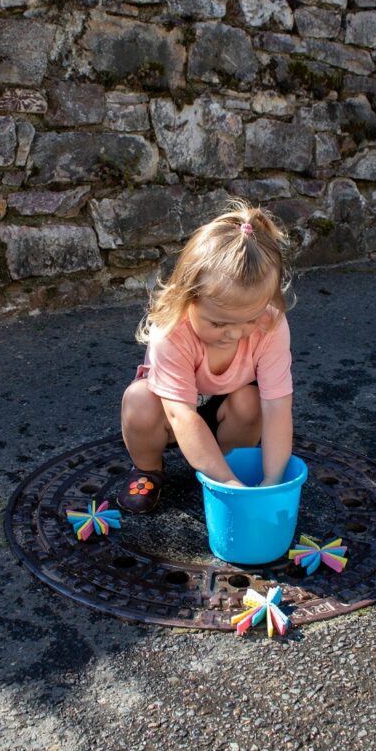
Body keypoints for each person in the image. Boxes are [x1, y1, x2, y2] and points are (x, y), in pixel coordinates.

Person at [118, 199, 294, 515]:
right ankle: (148, 471)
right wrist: (232, 484)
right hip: (170, 415)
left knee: (250, 402)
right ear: (187, 300)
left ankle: (220, 468)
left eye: (249, 320)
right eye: (218, 323)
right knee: (138, 401)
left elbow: (277, 404)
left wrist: (273, 479)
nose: (235, 334)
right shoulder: (172, 330)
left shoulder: (272, 323)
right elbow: (181, 416)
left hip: (226, 416)